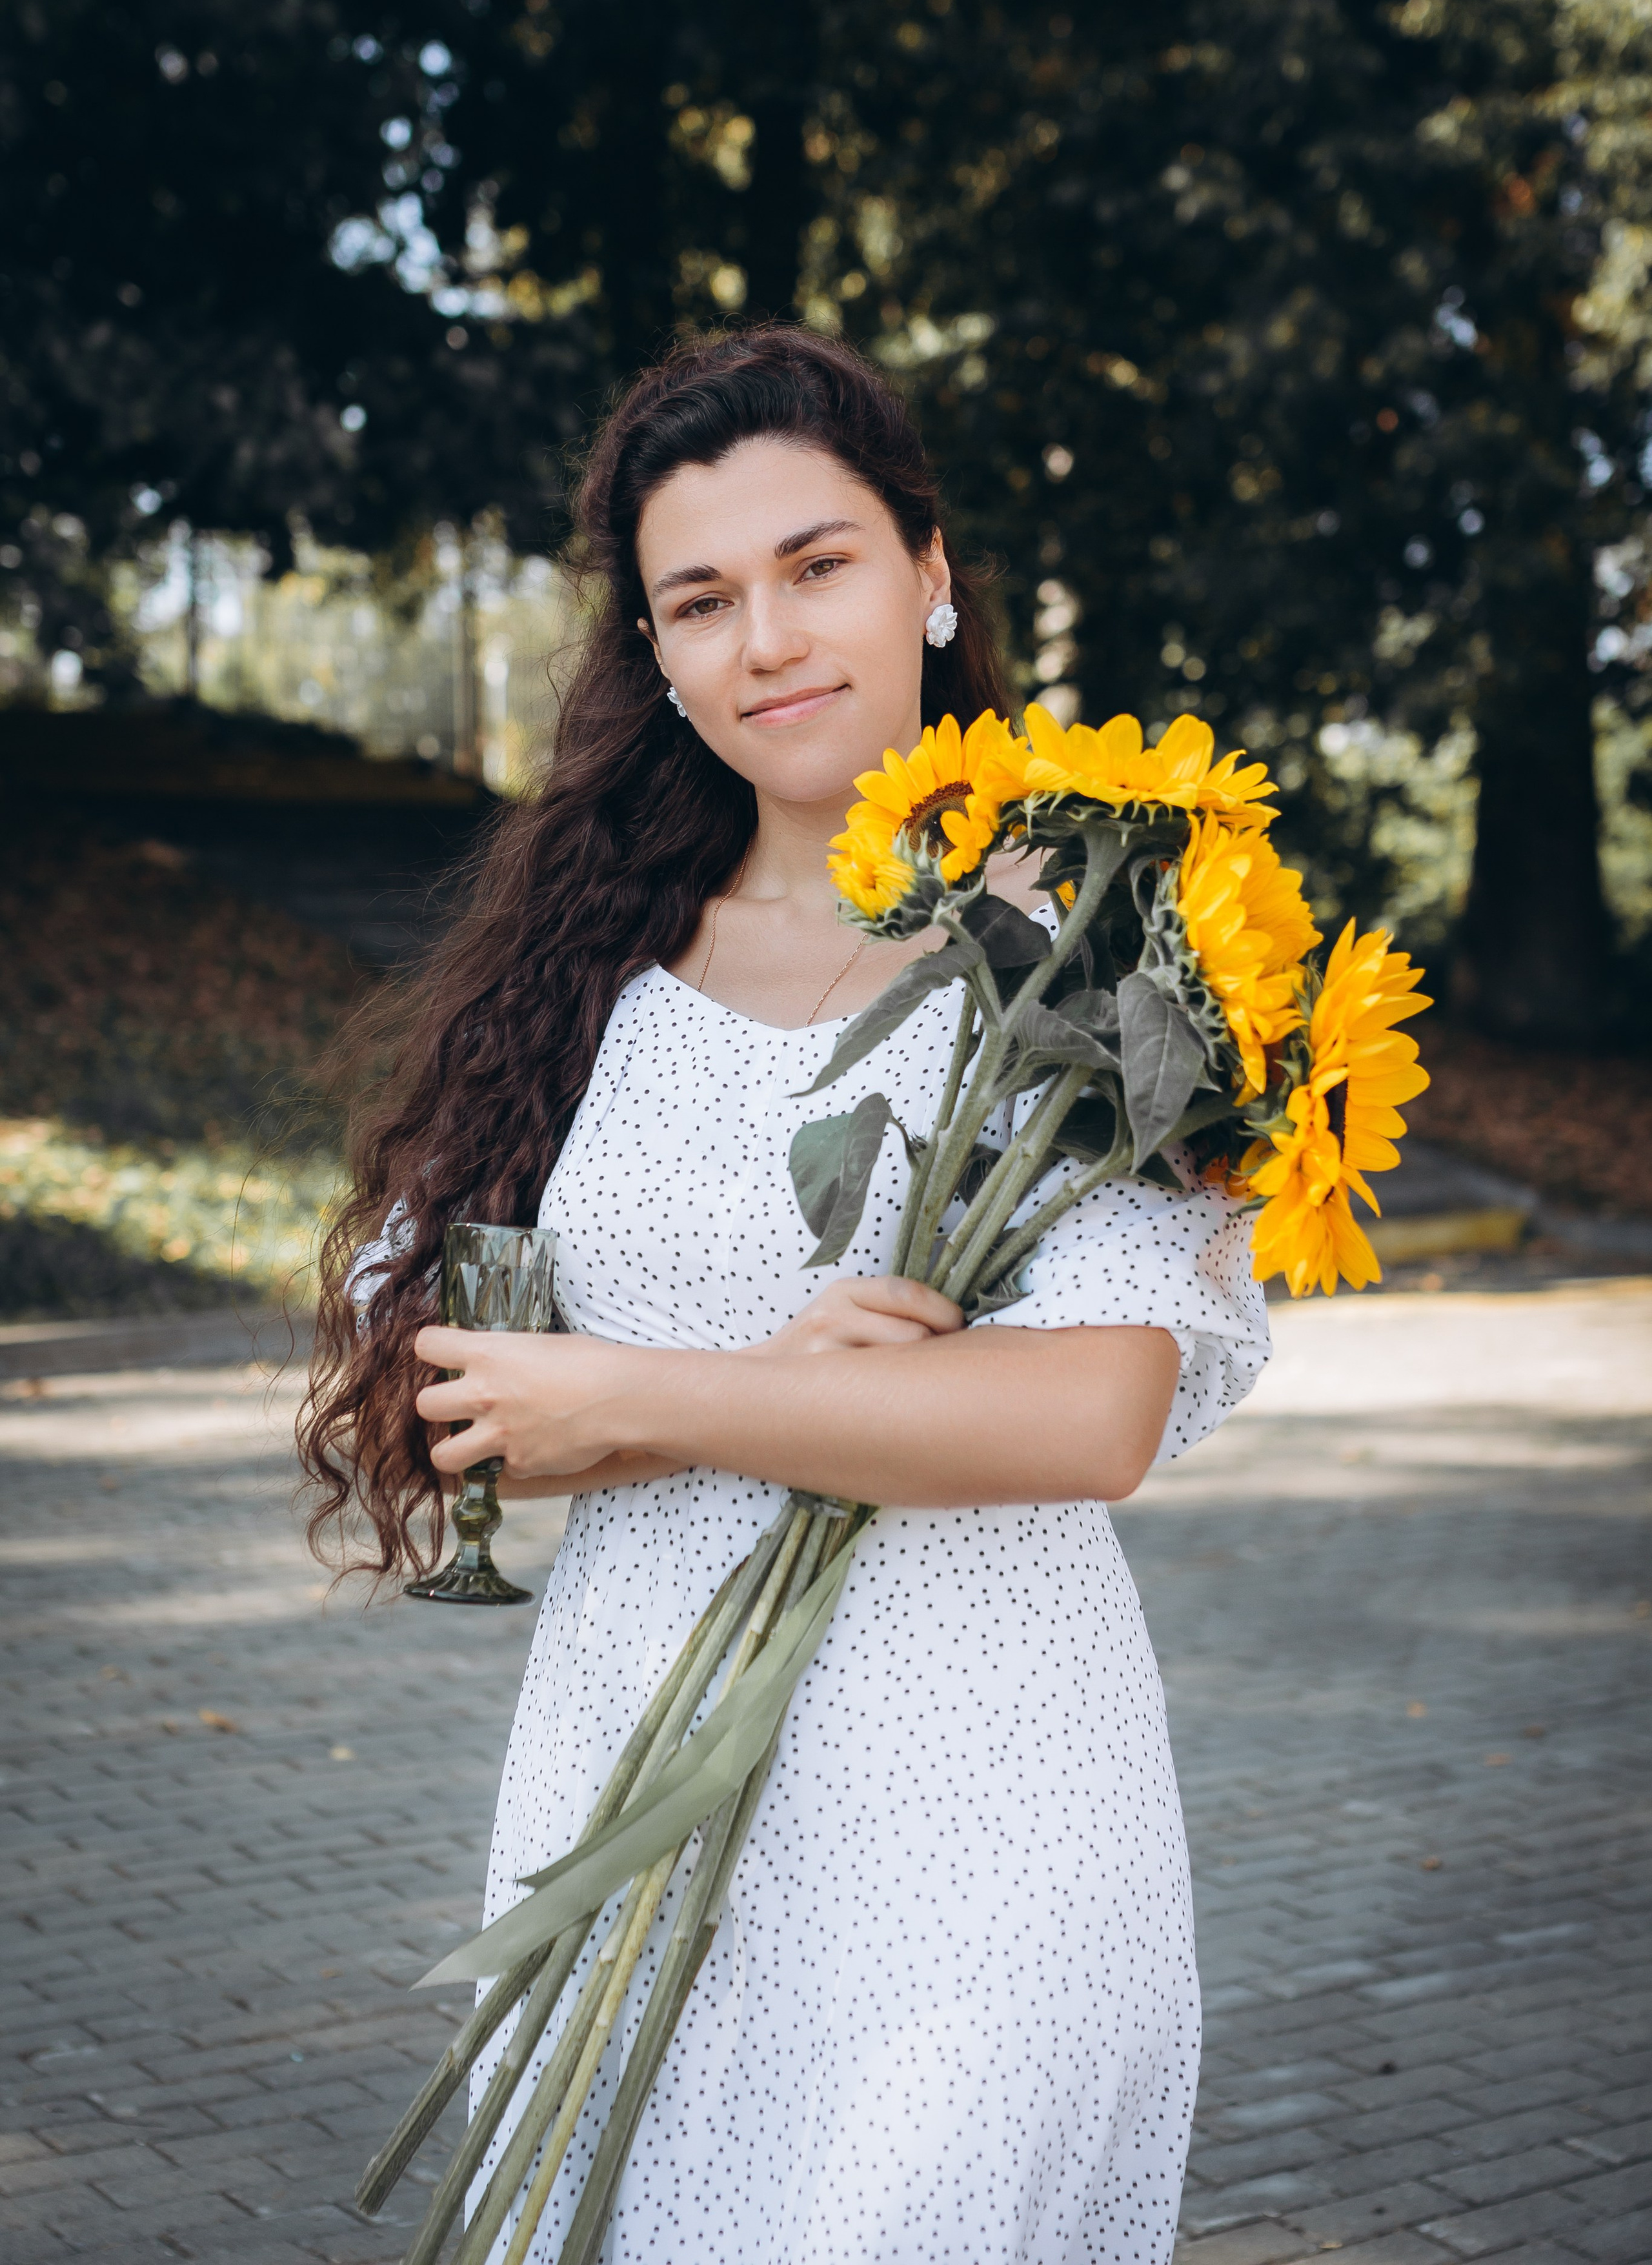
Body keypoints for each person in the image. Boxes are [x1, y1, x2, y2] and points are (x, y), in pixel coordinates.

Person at [300, 325, 1269, 2264]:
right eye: (701, 600)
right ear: (653, 656)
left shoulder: (1093, 958)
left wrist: (646, 1397)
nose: (767, 639)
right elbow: (424, 1391)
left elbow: (1089, 1416)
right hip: (630, 1802)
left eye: (818, 565)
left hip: (990, 1818)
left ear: (929, 570)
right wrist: (758, 1390)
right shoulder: (577, 970)